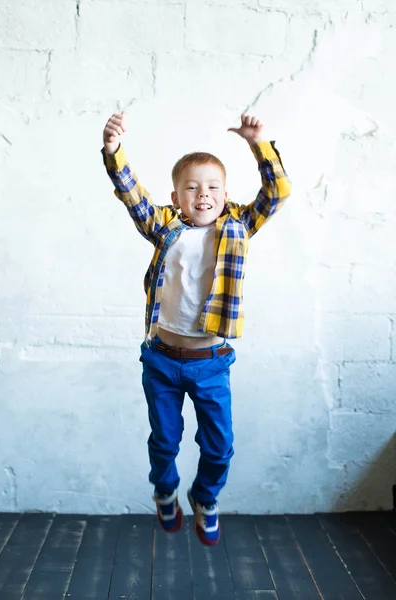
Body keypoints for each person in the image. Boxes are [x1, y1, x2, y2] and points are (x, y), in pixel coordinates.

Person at [102, 111, 292, 546]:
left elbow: (278, 190)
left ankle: (205, 498)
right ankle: (165, 490)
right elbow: (132, 196)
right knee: (165, 440)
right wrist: (114, 152)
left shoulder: (238, 227)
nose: (202, 194)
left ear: (226, 194)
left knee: (219, 446)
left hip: (211, 363)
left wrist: (258, 144)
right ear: (176, 195)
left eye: (212, 187)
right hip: (162, 360)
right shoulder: (165, 226)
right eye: (191, 187)